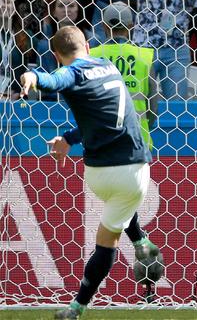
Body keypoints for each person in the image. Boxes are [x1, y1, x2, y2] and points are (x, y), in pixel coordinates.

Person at [18, 26, 161, 320]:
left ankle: (77, 307)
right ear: (87, 44)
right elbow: (101, 117)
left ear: (57, 55)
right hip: (137, 169)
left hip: (101, 172)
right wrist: (69, 138)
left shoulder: (72, 73)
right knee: (119, 210)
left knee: (107, 237)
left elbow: (55, 80)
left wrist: (33, 77)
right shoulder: (107, 66)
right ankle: (141, 243)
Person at [89, 2, 158, 149]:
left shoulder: (91, 56)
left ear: (104, 26)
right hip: (137, 142)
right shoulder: (144, 57)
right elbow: (152, 109)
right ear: (131, 26)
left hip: (101, 142)